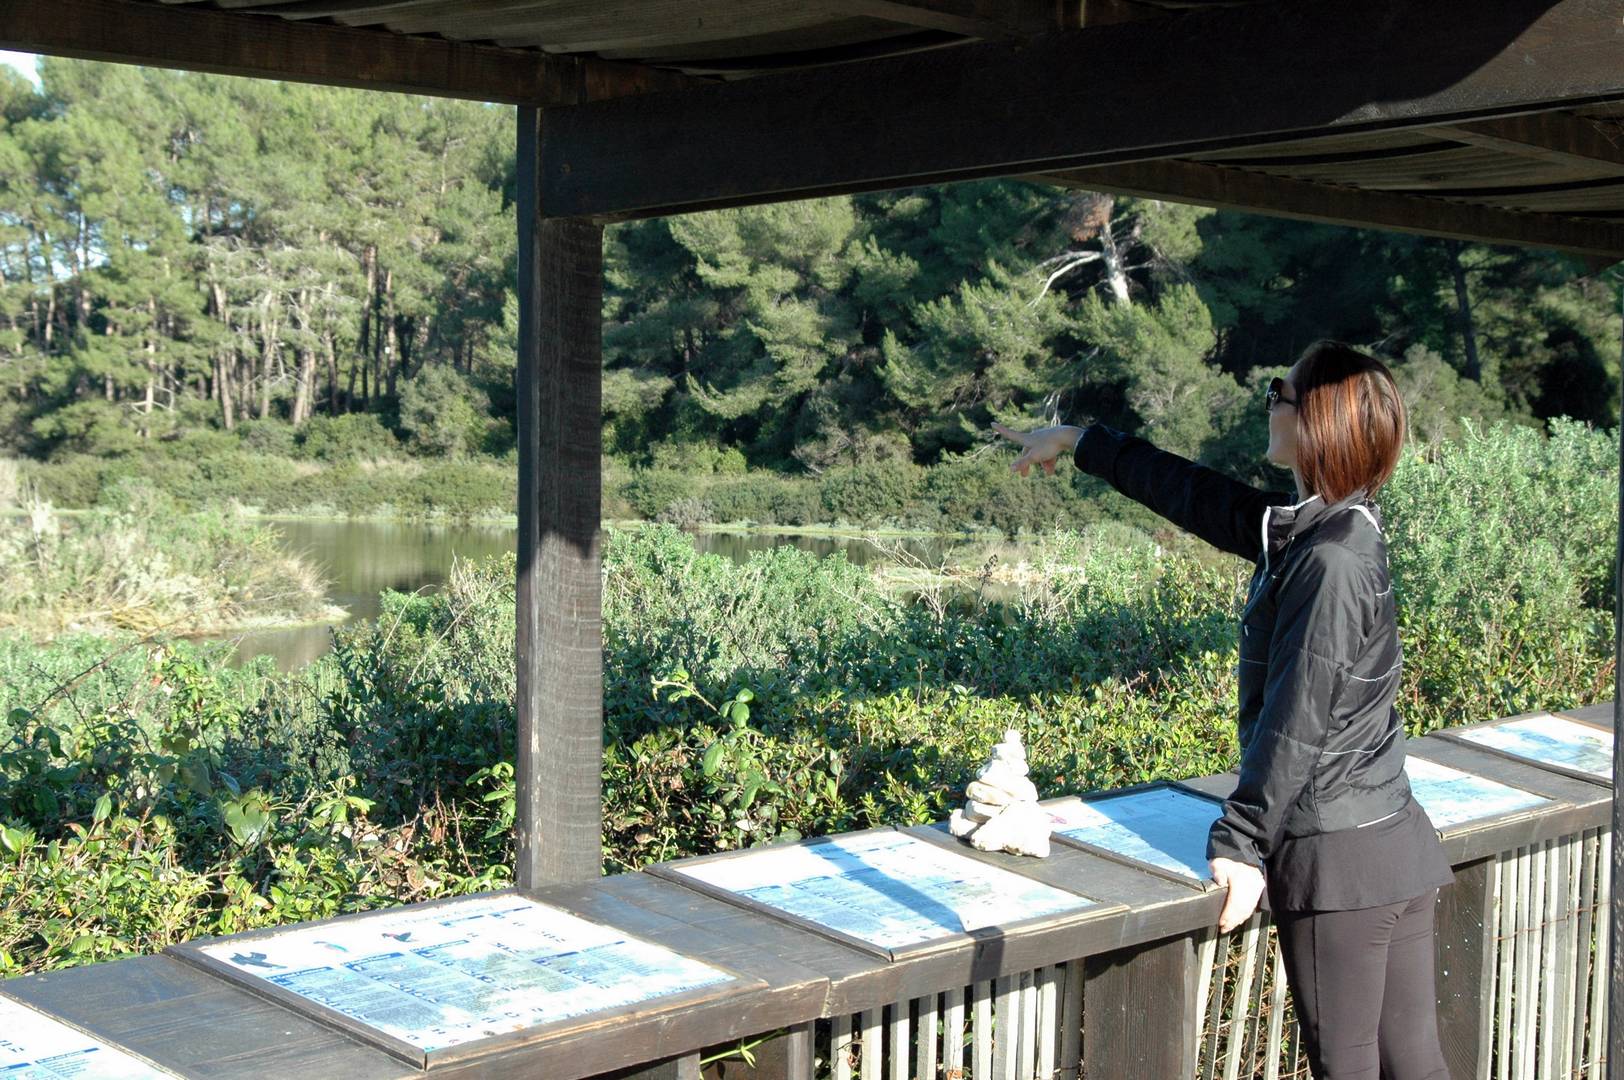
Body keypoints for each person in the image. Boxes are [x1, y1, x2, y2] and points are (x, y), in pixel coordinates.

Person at [994, 341, 1454, 1080]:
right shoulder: (1330, 530)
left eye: (1281, 389)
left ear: (1318, 420)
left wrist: (1240, 841)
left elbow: (1298, 715)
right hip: (1387, 841)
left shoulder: (1330, 560)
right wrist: (1082, 443)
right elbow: (1201, 497)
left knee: (1356, 1068)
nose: (1268, 401)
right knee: (1415, 1065)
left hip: (1337, 857)